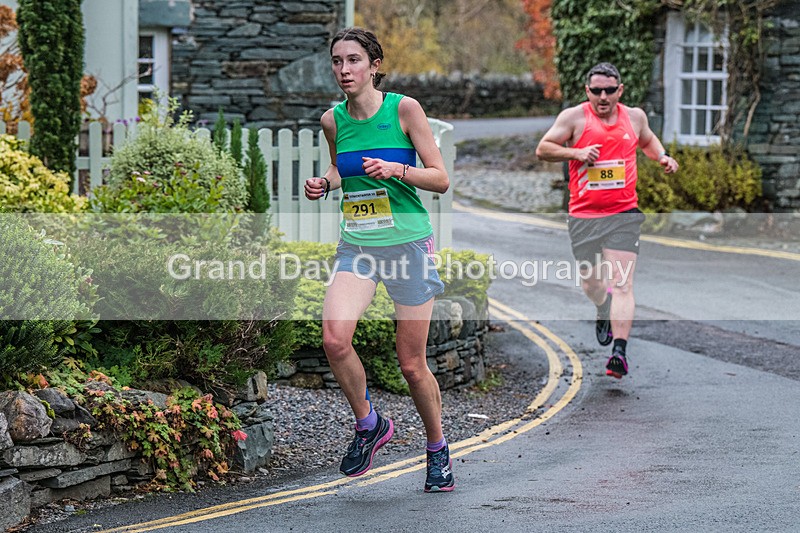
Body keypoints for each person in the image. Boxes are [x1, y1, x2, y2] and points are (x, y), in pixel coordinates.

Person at [303, 27, 454, 492]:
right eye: (337, 61)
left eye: (353, 61)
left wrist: (397, 170)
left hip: (407, 245)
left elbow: (441, 178)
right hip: (359, 245)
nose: (344, 70)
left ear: (373, 65)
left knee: (411, 364)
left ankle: (437, 449)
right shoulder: (332, 120)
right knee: (333, 339)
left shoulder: (403, 109)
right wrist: (325, 183)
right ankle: (369, 424)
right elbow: (339, 165)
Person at [536, 62, 678, 379]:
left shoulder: (635, 117)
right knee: (591, 283)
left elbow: (648, 140)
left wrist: (663, 157)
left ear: (620, 91)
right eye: (596, 90)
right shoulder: (573, 117)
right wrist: (577, 153)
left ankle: (619, 352)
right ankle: (603, 305)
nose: (603, 96)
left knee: (623, 282)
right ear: (588, 91)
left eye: (609, 90)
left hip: (624, 214)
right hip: (584, 215)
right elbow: (543, 148)